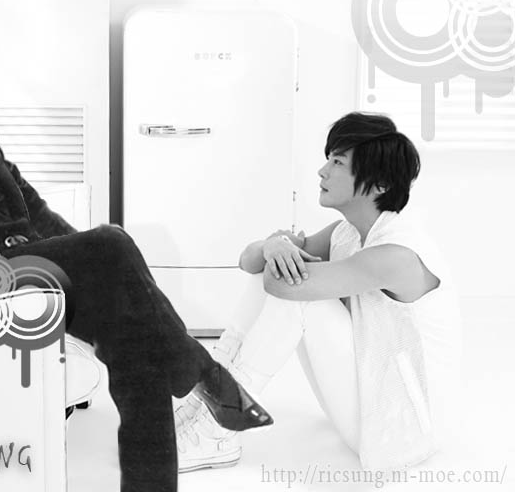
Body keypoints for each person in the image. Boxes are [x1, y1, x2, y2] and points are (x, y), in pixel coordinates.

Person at [0, 25, 272, 492]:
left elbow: (32, 206)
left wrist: (95, 264)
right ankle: (206, 373)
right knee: (112, 240)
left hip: (41, 268)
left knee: (137, 343)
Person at [175, 112, 462, 472]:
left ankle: (221, 428)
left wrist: (279, 246)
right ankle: (207, 401)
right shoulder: (346, 233)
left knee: (300, 297)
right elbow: (250, 263)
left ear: (380, 184)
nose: (322, 171)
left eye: (338, 162)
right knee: (279, 273)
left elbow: (280, 284)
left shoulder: (398, 255)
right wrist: (272, 246)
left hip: (403, 429)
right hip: (370, 399)